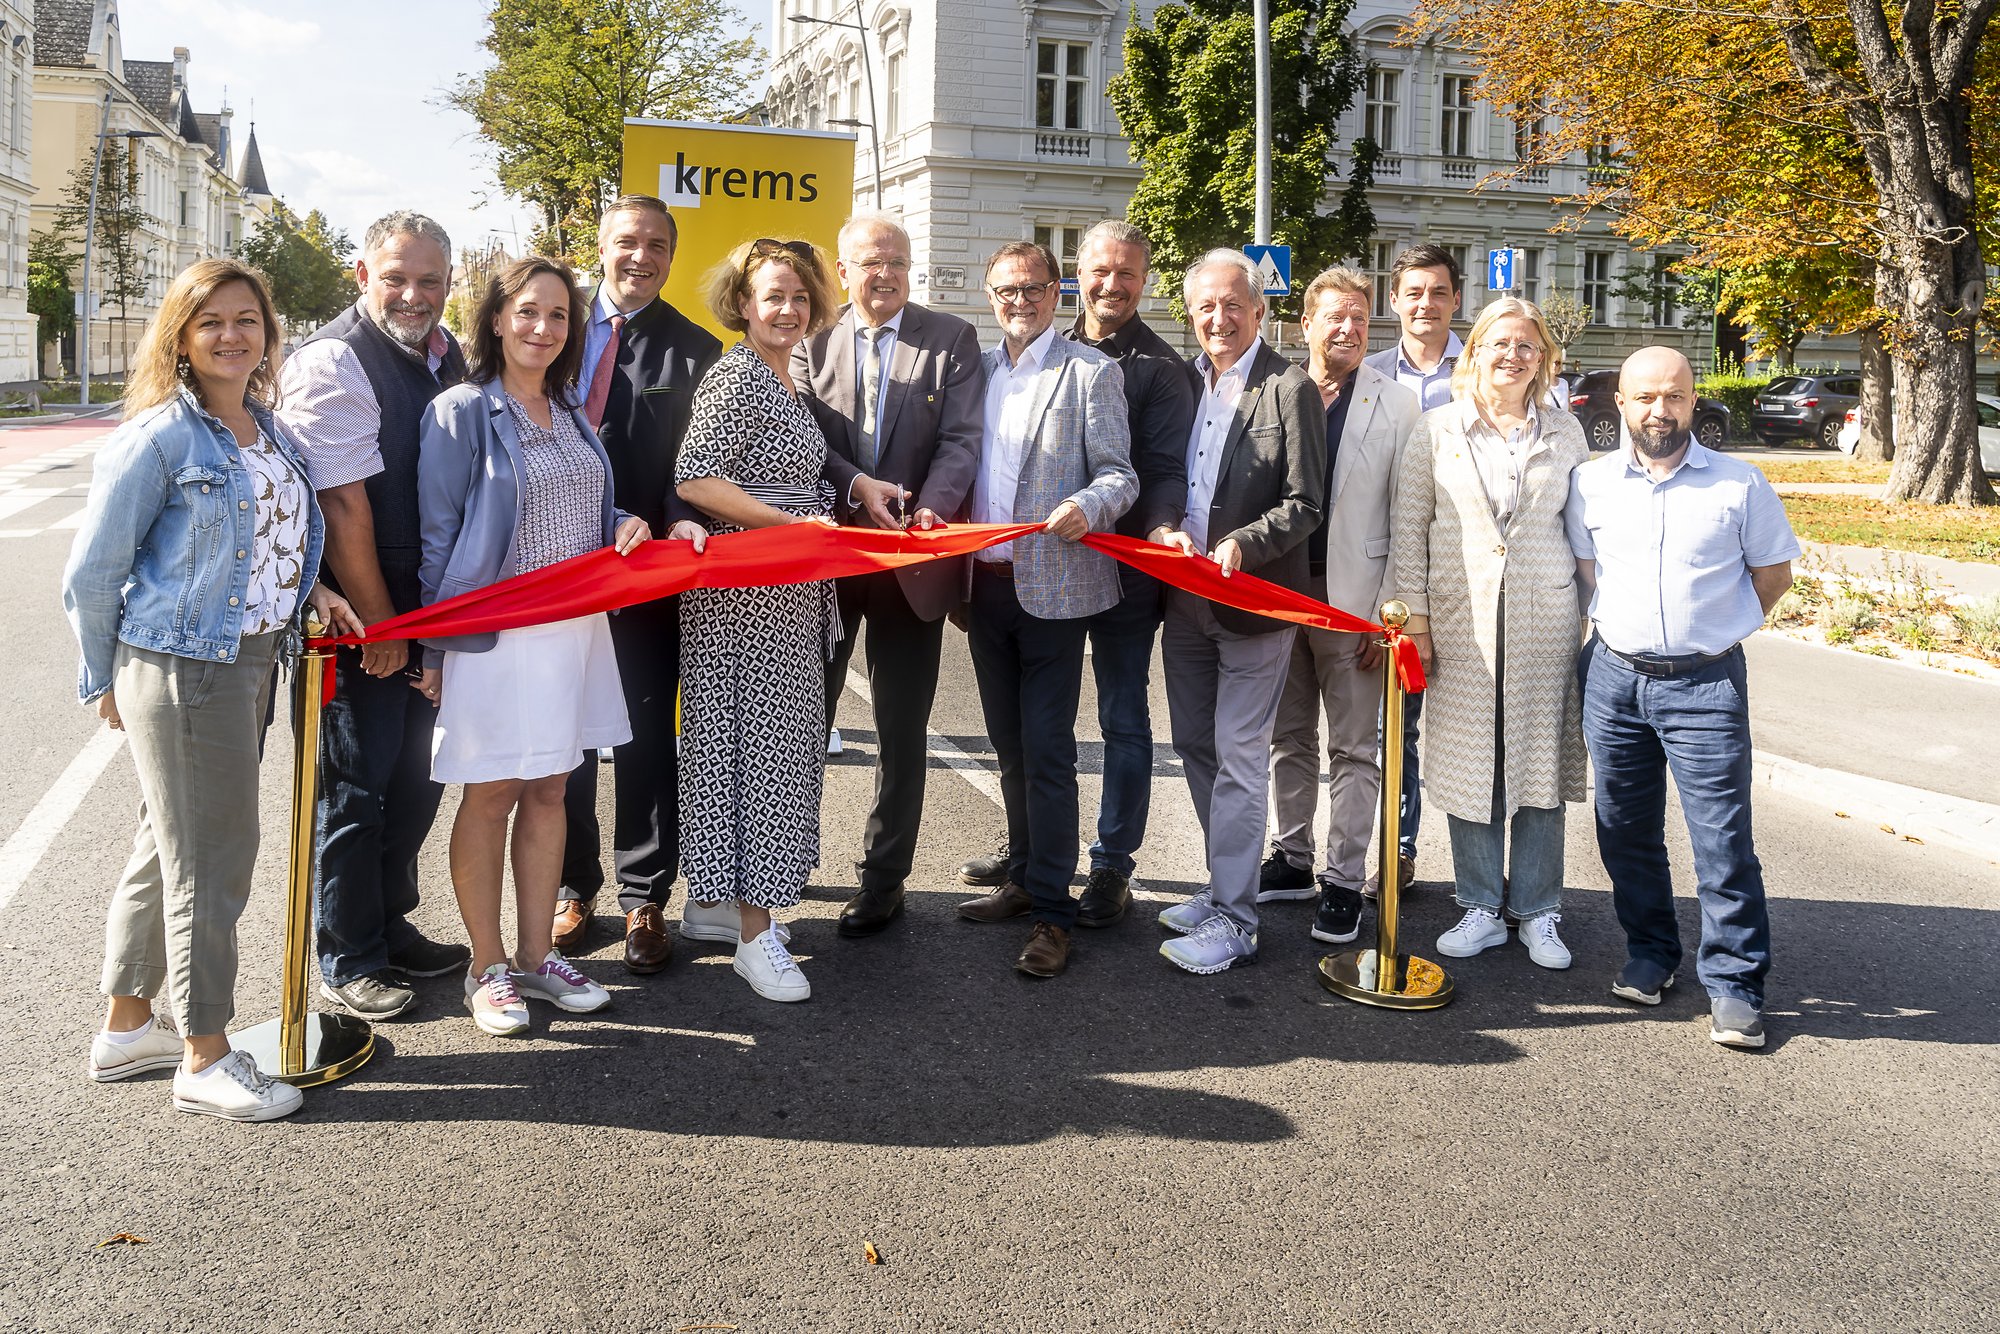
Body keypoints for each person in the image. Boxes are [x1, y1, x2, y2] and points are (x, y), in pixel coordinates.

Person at [64, 258, 365, 1121]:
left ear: (269, 333)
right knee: (214, 860)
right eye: (211, 323)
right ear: (182, 339)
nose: (232, 336)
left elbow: (268, 538)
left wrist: (314, 590)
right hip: (186, 666)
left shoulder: (269, 432)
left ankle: (127, 1030)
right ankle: (204, 1053)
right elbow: (92, 575)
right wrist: (102, 679)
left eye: (247, 320)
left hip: (249, 660)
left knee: (167, 844)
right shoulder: (162, 437)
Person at [417, 258, 647, 1035]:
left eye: (557, 317)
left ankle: (534, 956)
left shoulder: (573, 411)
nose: (541, 329)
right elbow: (438, 538)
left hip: (572, 635)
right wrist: (437, 649)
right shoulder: (460, 410)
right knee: (491, 795)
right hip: (496, 634)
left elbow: (586, 507)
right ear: (494, 319)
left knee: (552, 791)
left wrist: (619, 525)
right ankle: (487, 971)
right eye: (526, 312)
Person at [956, 219, 1194, 927]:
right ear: (1079, 279)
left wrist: (1119, 517)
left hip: (1113, 570)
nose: (1111, 285)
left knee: (1115, 722)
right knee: (1021, 738)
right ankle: (1032, 859)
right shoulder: (997, 366)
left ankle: (1108, 870)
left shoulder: (1149, 367)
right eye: (1100, 272)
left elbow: (1153, 472)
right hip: (1018, 576)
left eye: (1127, 274)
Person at [1567, 346, 1799, 1049]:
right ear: (1621, 403)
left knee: (1722, 840)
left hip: (1704, 682)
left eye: (1674, 397)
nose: (1659, 411)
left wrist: (1716, 632)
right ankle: (1652, 953)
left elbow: (1773, 575)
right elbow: (1587, 574)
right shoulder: (1590, 484)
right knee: (1624, 828)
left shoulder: (1740, 483)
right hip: (1613, 677)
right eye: (1644, 398)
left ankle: (1733, 984)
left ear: (1694, 402)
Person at [282, 211, 471, 1021]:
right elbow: (344, 506)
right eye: (396, 276)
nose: (414, 294)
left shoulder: (444, 351)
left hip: (426, 604)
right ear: (364, 275)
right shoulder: (332, 359)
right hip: (363, 618)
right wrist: (387, 627)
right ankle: (347, 952)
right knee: (354, 788)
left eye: (430, 279)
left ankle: (389, 925)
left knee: (417, 777)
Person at [794, 211, 984, 938]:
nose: (886, 274)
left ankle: (884, 880)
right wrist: (857, 486)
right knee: (805, 720)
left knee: (901, 731)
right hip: (833, 562)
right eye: (871, 262)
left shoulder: (952, 339)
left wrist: (932, 512)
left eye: (898, 261)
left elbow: (963, 442)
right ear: (844, 272)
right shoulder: (813, 342)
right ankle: (788, 863)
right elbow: (808, 438)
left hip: (913, 560)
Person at [954, 241, 1137, 978]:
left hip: (1057, 591)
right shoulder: (978, 374)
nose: (1019, 301)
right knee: (1010, 750)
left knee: (1050, 754)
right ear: (990, 295)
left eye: (1032, 288)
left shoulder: (1093, 373)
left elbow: (1121, 475)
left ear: (1057, 292)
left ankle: (1056, 918)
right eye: (1006, 290)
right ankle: (1025, 880)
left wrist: (1086, 504)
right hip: (986, 587)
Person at [1390, 297, 1588, 971]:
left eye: (1527, 346)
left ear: (1544, 360)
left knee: (1539, 765)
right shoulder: (1436, 429)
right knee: (1470, 759)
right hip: (1458, 620)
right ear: (1472, 353)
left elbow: (1584, 533)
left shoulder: (1566, 435)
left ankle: (1538, 911)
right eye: (1499, 343)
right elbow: (1408, 535)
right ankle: (1480, 905)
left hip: (1545, 618)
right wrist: (1414, 625)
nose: (1513, 355)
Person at [554, 195, 722, 975]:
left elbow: (698, 465)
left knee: (647, 736)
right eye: (628, 241)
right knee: (565, 737)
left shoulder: (697, 350)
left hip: (644, 571)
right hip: (552, 568)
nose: (640, 256)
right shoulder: (549, 326)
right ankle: (571, 886)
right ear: (601, 245)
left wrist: (676, 518)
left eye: (657, 244)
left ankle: (643, 895)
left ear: (671, 254)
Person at [674, 238, 844, 1003]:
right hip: (751, 598)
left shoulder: (780, 375)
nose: (787, 310)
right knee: (760, 762)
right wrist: (791, 527)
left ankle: (717, 907)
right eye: (773, 296)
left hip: (778, 593)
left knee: (747, 755)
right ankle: (755, 935)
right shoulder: (739, 376)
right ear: (743, 304)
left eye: (800, 298)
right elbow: (697, 478)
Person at [1145, 251, 1324, 974]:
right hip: (1184, 594)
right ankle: (1225, 884)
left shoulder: (1289, 387)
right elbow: (1163, 474)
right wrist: (1161, 527)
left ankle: (1238, 922)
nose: (1218, 319)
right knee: (1194, 744)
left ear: (1258, 309)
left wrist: (1245, 546)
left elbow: (1306, 502)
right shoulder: (1184, 381)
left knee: (1242, 756)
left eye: (1232, 305)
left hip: (1250, 599)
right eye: (1205, 308)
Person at [1265, 266, 1421, 945]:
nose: (1350, 329)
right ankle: (1293, 858)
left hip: (1354, 606)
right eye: (1336, 316)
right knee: (1287, 739)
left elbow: (1410, 519)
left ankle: (1342, 880)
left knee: (1357, 750)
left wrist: (1392, 614)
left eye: (1360, 318)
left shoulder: (1397, 405)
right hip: (1279, 597)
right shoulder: (1275, 388)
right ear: (1307, 324)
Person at [1364, 243, 1466, 895]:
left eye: (1438, 292)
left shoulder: (1482, 371)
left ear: (1456, 299)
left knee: (1473, 725)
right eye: (1413, 292)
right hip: (1396, 577)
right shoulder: (1371, 374)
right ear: (1394, 301)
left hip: (1469, 579)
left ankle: (1487, 874)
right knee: (1396, 726)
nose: (1425, 303)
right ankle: (1397, 851)